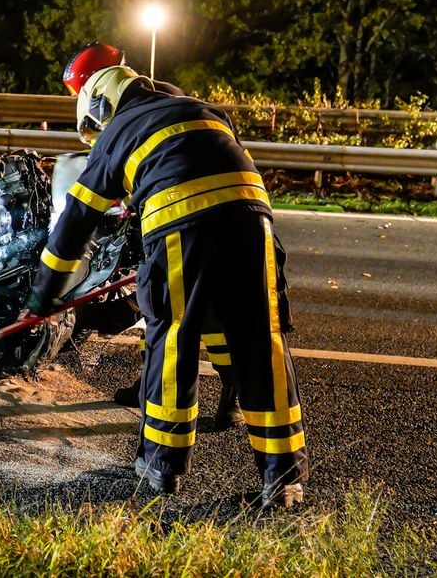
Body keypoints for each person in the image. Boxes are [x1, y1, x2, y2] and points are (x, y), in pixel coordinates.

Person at [27, 64, 307, 508]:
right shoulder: (202, 109)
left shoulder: (119, 130)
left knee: (174, 335)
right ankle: (284, 479)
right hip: (253, 222)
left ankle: (160, 467)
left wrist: (44, 295)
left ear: (102, 105)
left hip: (180, 224)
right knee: (260, 341)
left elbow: (76, 221)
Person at [61, 42, 242, 429]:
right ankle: (158, 384)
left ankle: (228, 398)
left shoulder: (139, 106)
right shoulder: (160, 95)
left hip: (189, 219)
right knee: (165, 309)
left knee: (195, 312)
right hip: (209, 212)